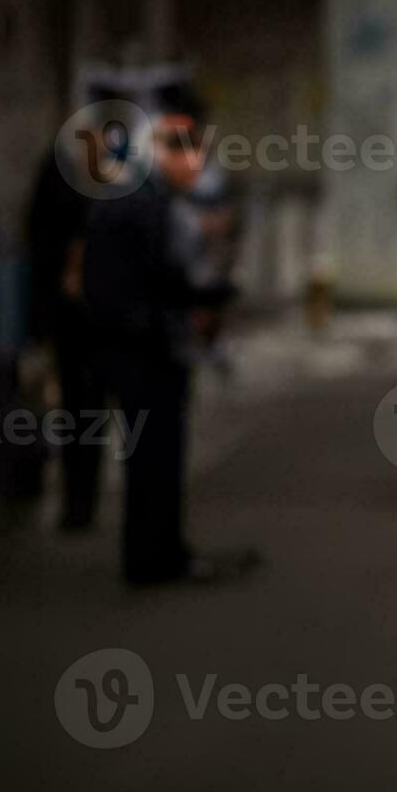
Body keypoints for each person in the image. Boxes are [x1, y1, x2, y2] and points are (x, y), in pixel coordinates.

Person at [81, 87, 255, 586]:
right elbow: (155, 280)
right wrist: (205, 301)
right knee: (155, 458)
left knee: (156, 457)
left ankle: (161, 553)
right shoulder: (143, 204)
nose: (196, 164)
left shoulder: (136, 199)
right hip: (142, 348)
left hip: (137, 343)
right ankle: (152, 559)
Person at [26, 82, 126, 531]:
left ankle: (83, 502)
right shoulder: (67, 174)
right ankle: (77, 504)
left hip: (97, 316)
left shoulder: (104, 176)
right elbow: (43, 241)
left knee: (89, 411)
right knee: (78, 410)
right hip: (75, 316)